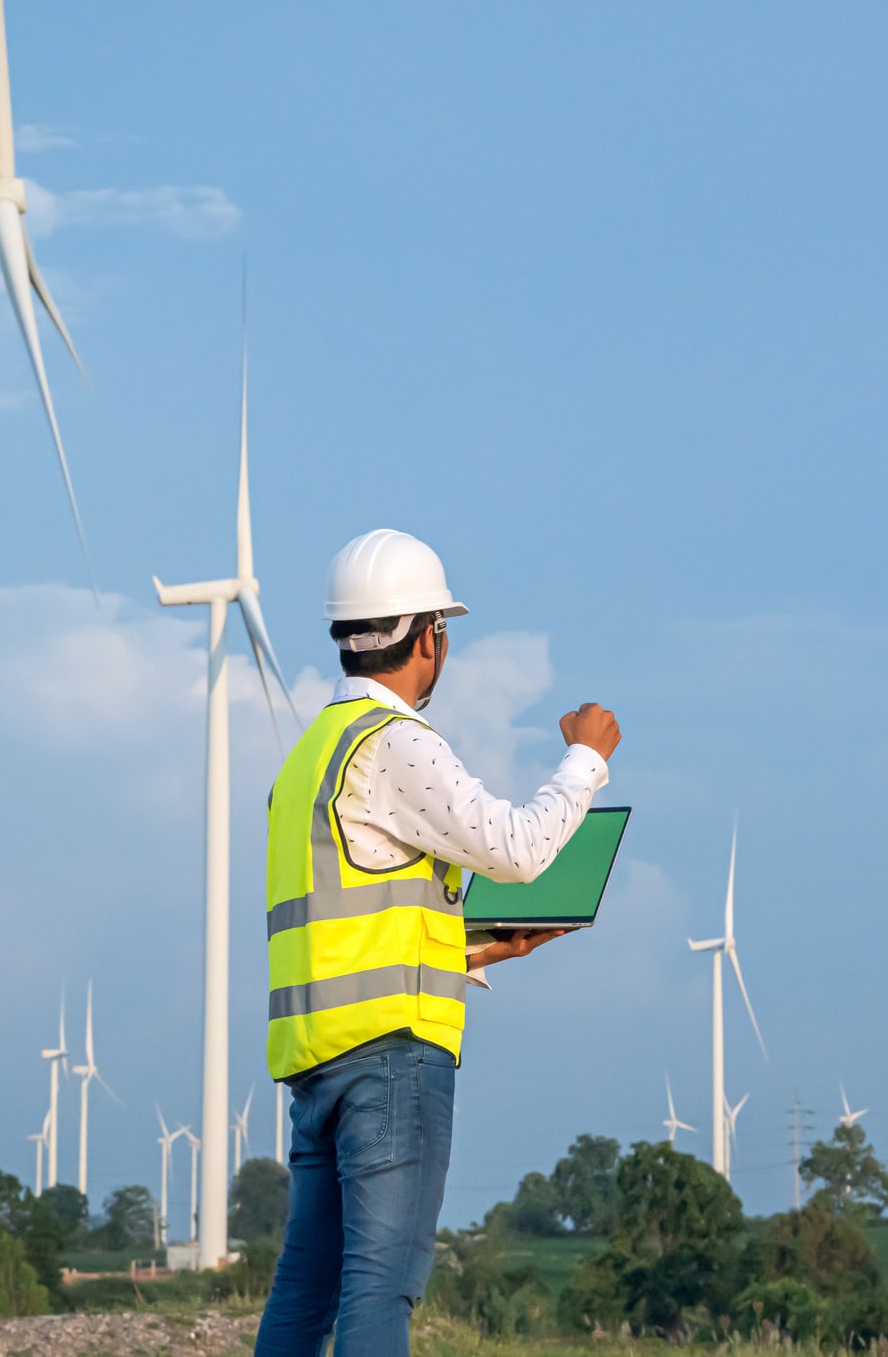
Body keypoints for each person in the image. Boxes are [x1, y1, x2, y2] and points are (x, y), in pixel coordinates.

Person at [254, 528, 621, 1357]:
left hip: (318, 1068)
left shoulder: (306, 760)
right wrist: (584, 760)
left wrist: (486, 952)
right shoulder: (395, 744)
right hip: (391, 1066)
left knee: (306, 1291)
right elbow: (520, 850)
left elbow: (348, 936)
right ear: (429, 636)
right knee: (381, 1288)